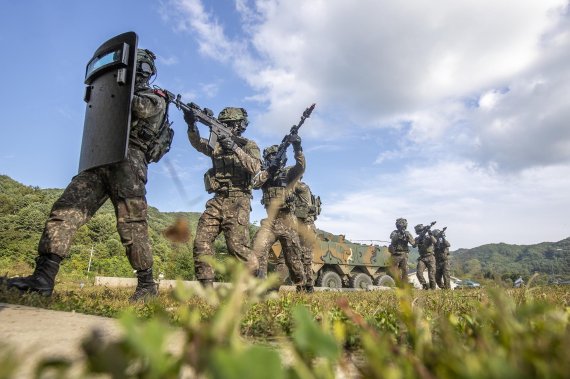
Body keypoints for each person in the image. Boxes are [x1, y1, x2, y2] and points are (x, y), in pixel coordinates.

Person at [8, 49, 169, 301]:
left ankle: (147, 285)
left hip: (129, 160)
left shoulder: (154, 96)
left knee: (131, 223)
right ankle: (43, 278)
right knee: (66, 209)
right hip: (102, 154)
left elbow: (139, 108)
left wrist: (119, 85)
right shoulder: (116, 89)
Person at [183, 107, 261, 287]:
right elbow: (197, 143)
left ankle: (254, 283)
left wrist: (234, 147)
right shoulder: (216, 145)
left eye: (230, 125)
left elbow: (255, 167)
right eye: (224, 125)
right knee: (202, 241)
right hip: (217, 199)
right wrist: (191, 124)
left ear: (239, 127)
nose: (226, 127)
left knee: (237, 248)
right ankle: (206, 288)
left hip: (239, 200)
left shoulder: (249, 145)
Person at [252, 136, 306, 291]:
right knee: (258, 249)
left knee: (293, 260)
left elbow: (301, 167)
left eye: (274, 157)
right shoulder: (265, 175)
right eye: (269, 157)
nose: (272, 159)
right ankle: (260, 287)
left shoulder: (288, 173)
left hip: (288, 220)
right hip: (271, 221)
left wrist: (297, 147)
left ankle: (302, 288)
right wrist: (269, 170)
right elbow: (255, 184)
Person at [288, 179, 320, 292]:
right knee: (302, 257)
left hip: (306, 227)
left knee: (305, 257)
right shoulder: (303, 189)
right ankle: (303, 286)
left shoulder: (302, 186)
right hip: (304, 226)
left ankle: (308, 286)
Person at [388, 218, 415, 285]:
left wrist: (407, 236)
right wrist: (399, 233)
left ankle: (404, 284)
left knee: (405, 270)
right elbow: (393, 239)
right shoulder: (394, 232)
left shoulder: (407, 233)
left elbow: (413, 243)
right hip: (395, 254)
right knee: (394, 269)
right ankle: (396, 283)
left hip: (404, 254)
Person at [415, 224, 437, 290]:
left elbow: (435, 241)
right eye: (419, 231)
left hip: (430, 257)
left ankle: (433, 290)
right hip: (422, 258)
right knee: (419, 273)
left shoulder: (428, 237)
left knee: (431, 275)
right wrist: (420, 238)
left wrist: (430, 234)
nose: (420, 232)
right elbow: (414, 245)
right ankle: (425, 286)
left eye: (421, 231)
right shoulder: (417, 238)